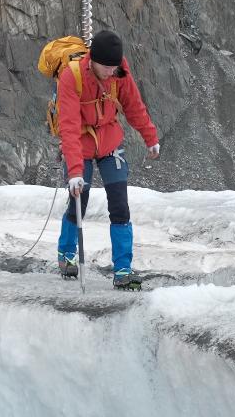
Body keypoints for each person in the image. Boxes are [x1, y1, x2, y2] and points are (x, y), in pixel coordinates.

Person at [53, 29, 160, 288]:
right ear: (93, 60)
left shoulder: (119, 73)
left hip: (110, 142)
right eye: (107, 67)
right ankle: (66, 253)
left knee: (120, 206)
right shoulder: (72, 77)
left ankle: (123, 269)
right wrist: (75, 171)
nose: (112, 72)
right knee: (80, 200)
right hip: (81, 144)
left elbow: (134, 106)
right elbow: (68, 125)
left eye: (115, 67)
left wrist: (151, 137)